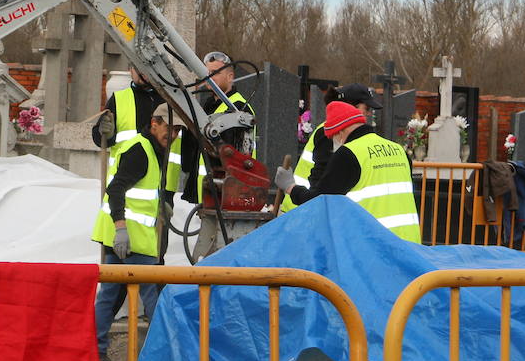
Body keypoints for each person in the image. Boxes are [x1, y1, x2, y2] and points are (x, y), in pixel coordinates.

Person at [92, 113, 173, 361]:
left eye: (176, 132)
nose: (172, 135)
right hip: (130, 237)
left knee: (108, 296)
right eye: (168, 129)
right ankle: (163, 358)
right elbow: (115, 189)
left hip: (124, 236)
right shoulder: (141, 150)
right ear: (155, 123)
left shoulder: (149, 147)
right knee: (152, 296)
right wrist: (121, 228)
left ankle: (96, 352)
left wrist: (162, 204)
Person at [275, 100, 421, 242]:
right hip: (409, 243)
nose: (335, 142)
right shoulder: (398, 149)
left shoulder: (349, 153)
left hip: (374, 246)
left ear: (341, 131)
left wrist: (290, 187)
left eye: (333, 136)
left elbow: (321, 200)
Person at [173, 52, 256, 259]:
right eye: (206, 73)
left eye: (214, 73)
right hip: (210, 194)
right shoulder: (209, 105)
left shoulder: (238, 110)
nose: (208, 77)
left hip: (224, 197)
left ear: (230, 77)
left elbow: (234, 157)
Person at [280, 82, 382, 212]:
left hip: (307, 202)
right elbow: (320, 182)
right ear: (350, 106)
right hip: (302, 207)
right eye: (366, 108)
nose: (368, 113)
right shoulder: (331, 133)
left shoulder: (341, 131)